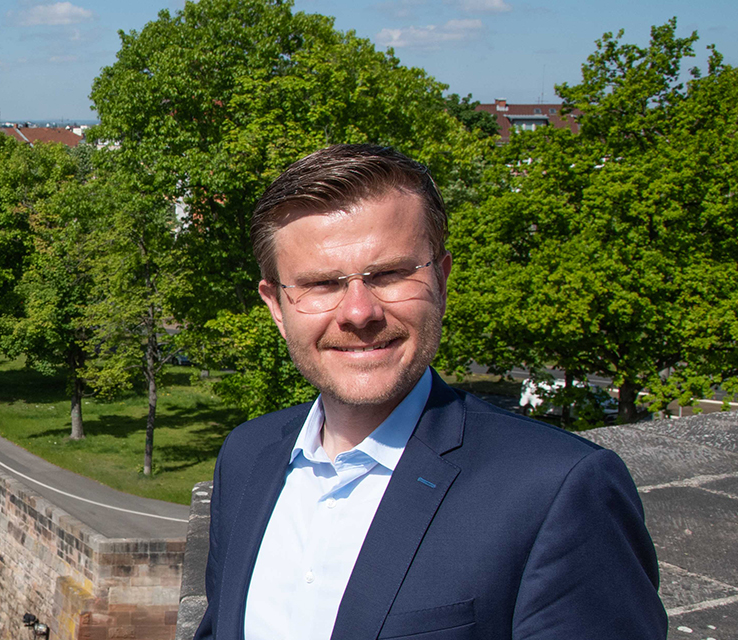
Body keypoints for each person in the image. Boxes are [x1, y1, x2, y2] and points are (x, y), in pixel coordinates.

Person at [191, 144, 664, 639]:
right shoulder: (247, 456)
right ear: (276, 306)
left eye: (391, 274)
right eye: (322, 284)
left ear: (440, 278)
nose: (358, 312)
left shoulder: (556, 491)